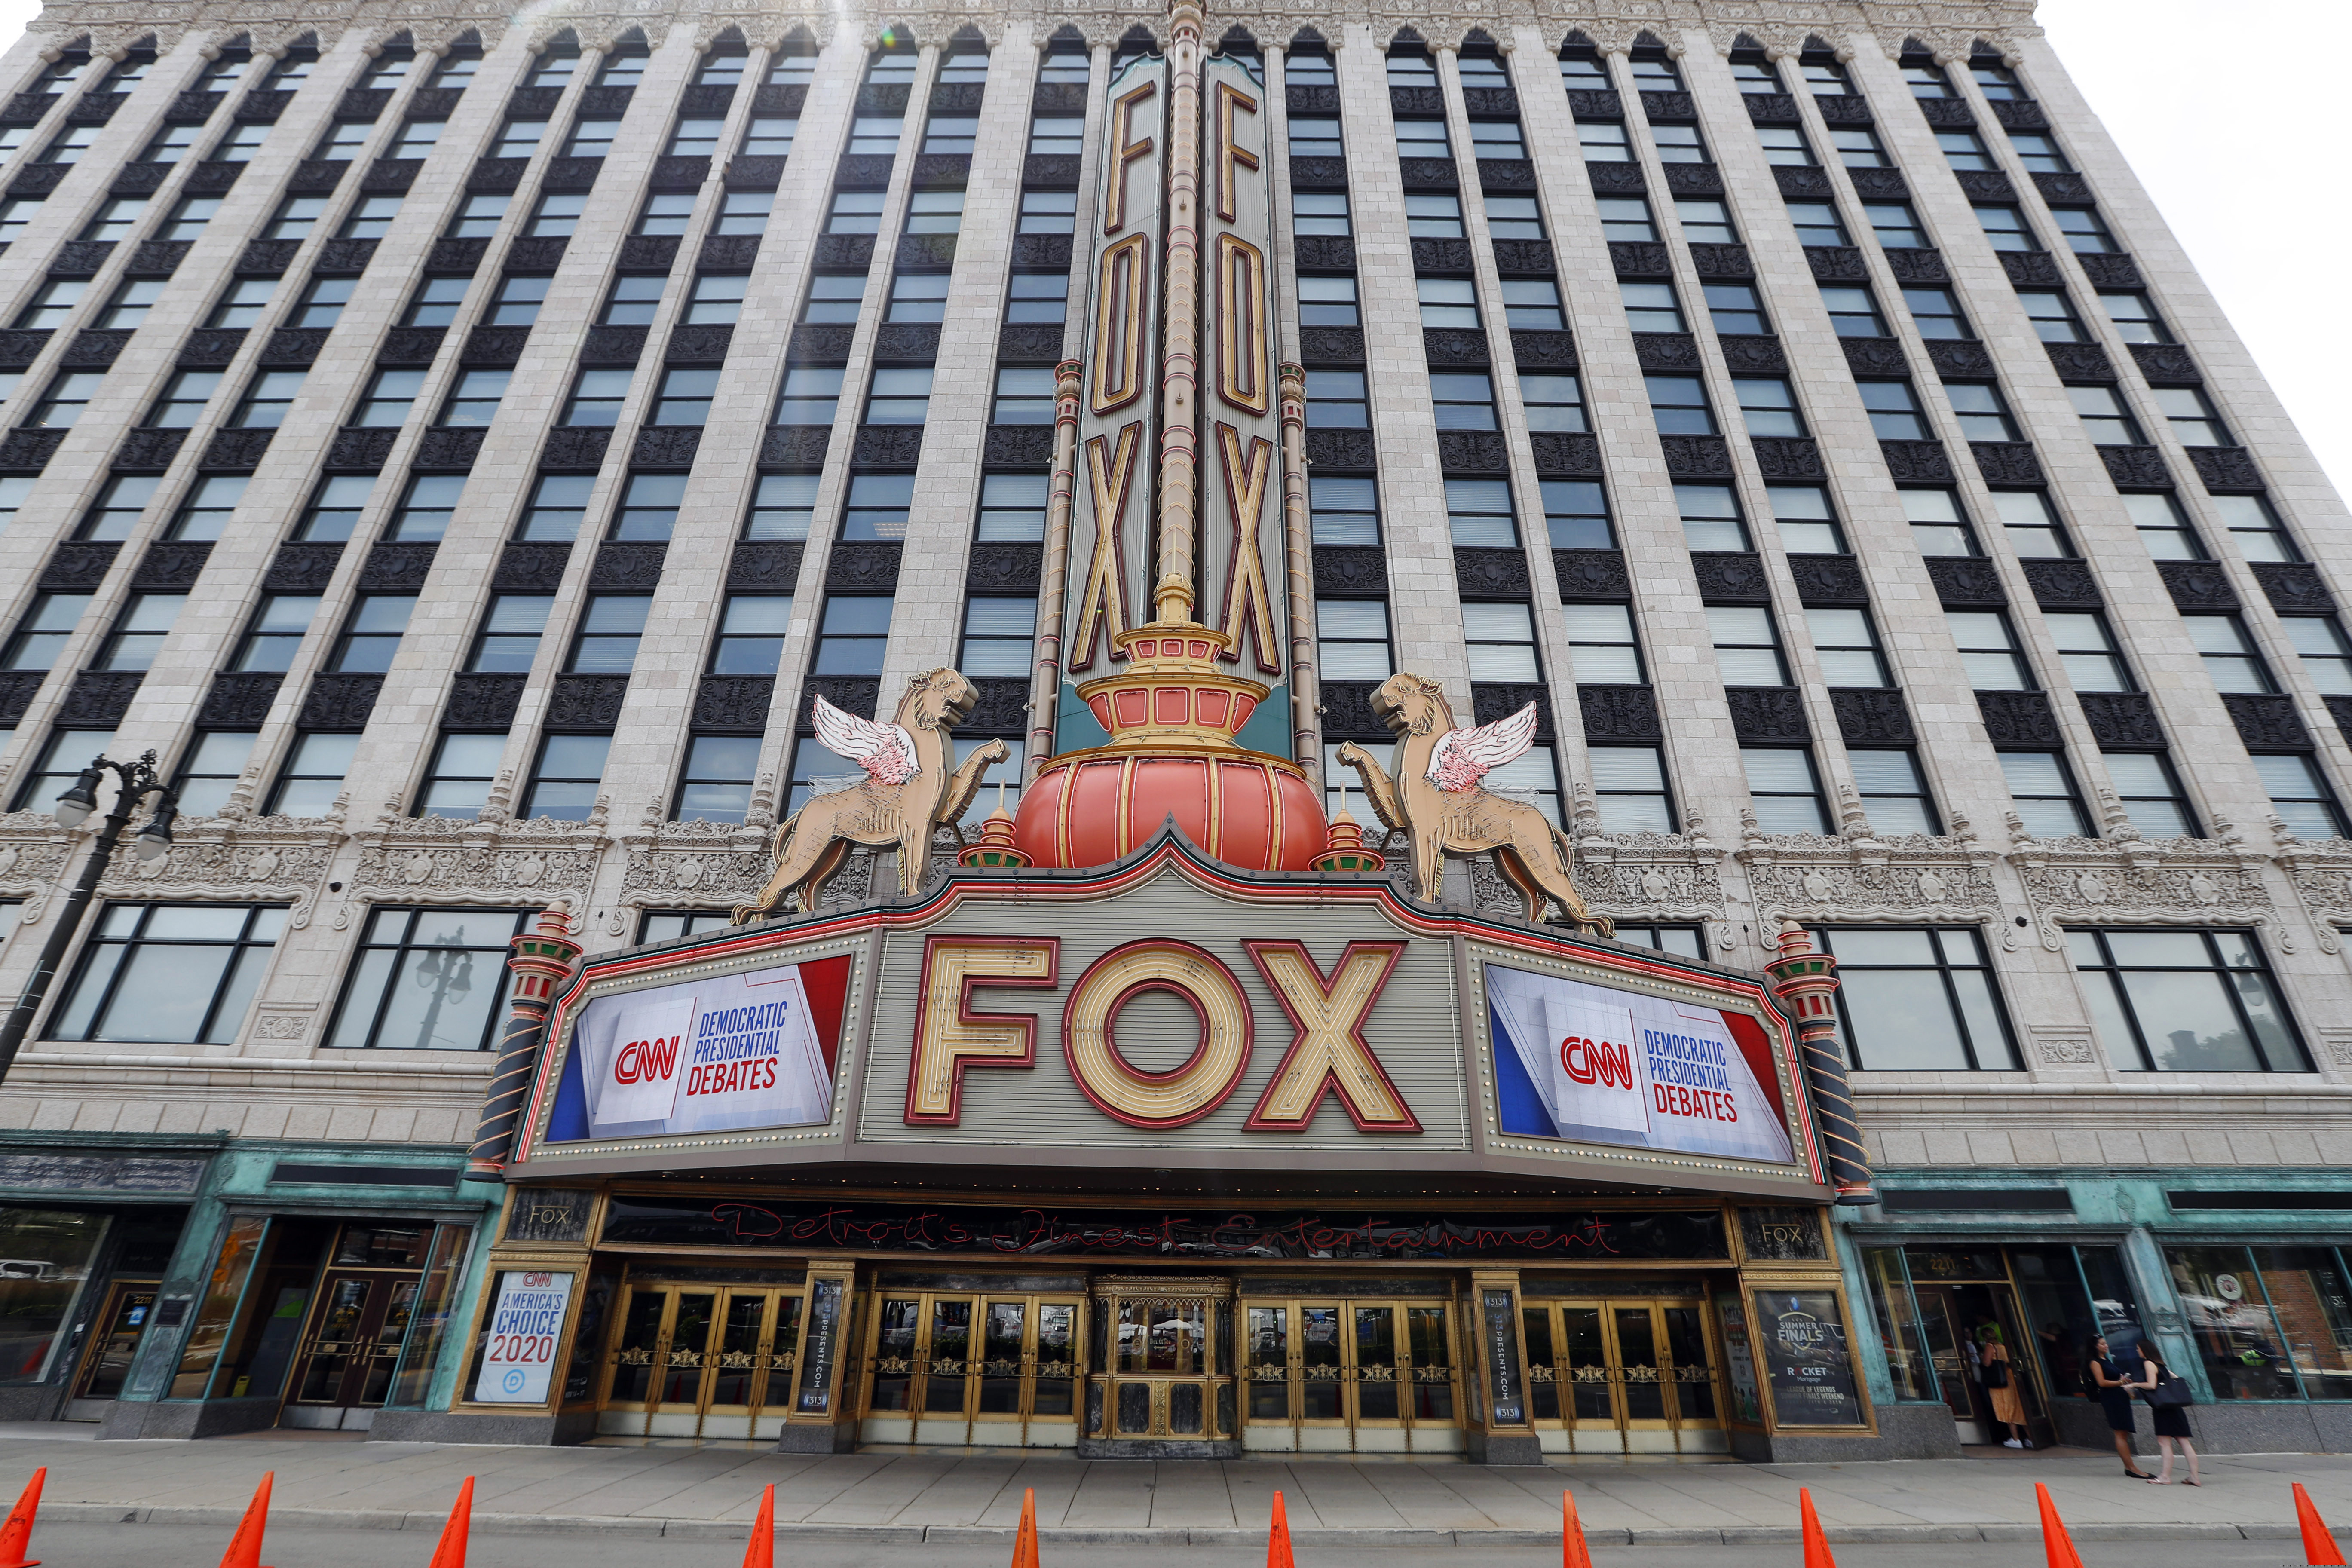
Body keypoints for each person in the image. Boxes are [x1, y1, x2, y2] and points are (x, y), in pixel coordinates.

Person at [2132, 1342, 2200, 1485]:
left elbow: (2151, 1385)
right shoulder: (2161, 1365)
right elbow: (2176, 1379)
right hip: (2175, 1407)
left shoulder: (2149, 1363)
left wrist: (2134, 1385)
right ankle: (2194, 1477)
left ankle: (2165, 1477)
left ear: (2145, 1350)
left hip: (2163, 1408)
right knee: (2184, 1442)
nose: (2137, 1351)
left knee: (2164, 1443)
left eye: (2138, 1348)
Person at [2086, 1336, 2155, 1478]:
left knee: (2124, 1432)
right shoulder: (2095, 1362)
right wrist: (2120, 1382)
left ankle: (2130, 1467)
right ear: (2095, 1347)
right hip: (2112, 1399)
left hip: (2120, 1398)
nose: (2106, 1346)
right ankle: (2131, 1468)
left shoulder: (2107, 1360)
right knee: (2120, 1432)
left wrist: (2123, 1381)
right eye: (2102, 1344)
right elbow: (2102, 1383)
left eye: (2106, 1343)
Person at [1978, 1324, 2030, 1449]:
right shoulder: (2004, 1346)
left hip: (2000, 1382)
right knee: (2018, 1408)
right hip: (2011, 1379)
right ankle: (2031, 1438)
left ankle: (2016, 1439)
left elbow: (1987, 1363)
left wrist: (1981, 1357)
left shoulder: (1990, 1347)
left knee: (2006, 1409)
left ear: (1985, 1337)